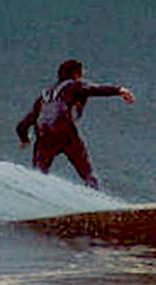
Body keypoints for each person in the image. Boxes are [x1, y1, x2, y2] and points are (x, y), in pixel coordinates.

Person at [15, 58, 136, 188]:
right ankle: (94, 193)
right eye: (81, 72)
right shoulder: (74, 85)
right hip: (64, 131)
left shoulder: (44, 96)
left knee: (38, 173)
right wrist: (120, 90)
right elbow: (95, 89)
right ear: (75, 74)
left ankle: (35, 194)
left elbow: (23, 124)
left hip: (43, 134)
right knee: (86, 170)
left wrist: (25, 139)